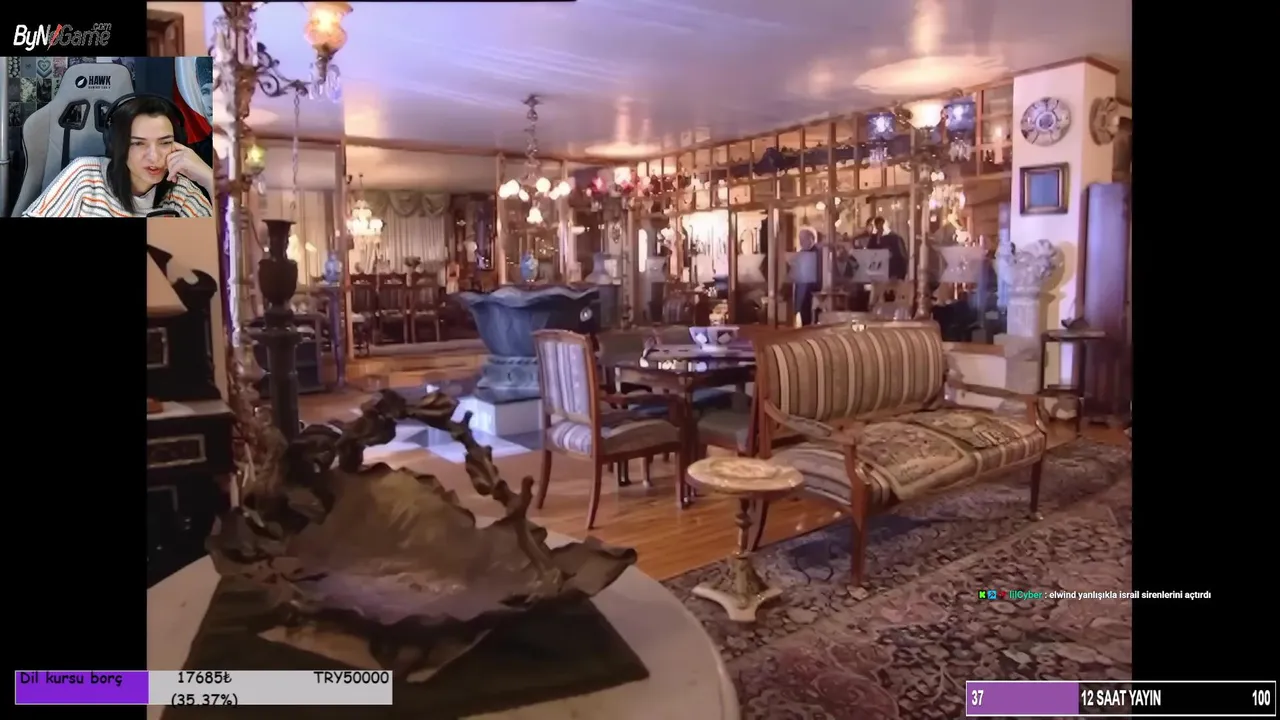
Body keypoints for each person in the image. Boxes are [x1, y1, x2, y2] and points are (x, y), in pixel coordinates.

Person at [22, 94, 214, 218]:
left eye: (165, 143)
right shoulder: (85, 177)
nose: (154, 156)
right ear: (116, 145)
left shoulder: (182, 192)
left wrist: (210, 179)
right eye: (138, 143)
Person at [867, 216, 909, 280]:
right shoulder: (873, 238)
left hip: (889, 266)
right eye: (879, 225)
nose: (881, 227)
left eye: (882, 224)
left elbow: (897, 253)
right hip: (878, 265)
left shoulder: (892, 237)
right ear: (876, 226)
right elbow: (870, 250)